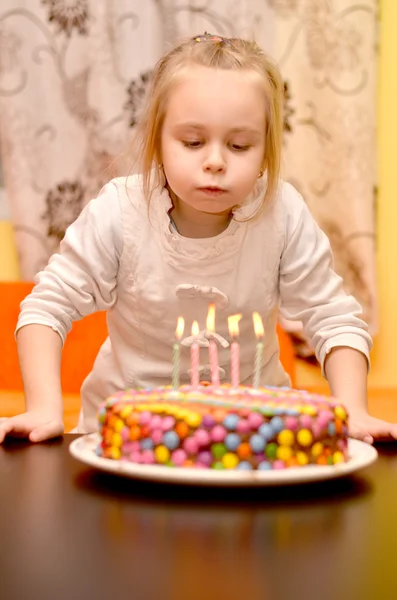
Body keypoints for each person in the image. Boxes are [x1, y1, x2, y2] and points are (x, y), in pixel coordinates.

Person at [0, 33, 395, 446]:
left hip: (252, 439)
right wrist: (44, 408)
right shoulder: (119, 211)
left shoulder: (283, 212)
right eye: (192, 142)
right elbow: (47, 308)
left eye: (240, 145)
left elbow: (333, 318)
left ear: (266, 153)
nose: (215, 161)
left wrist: (354, 410)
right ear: (158, 143)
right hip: (125, 441)